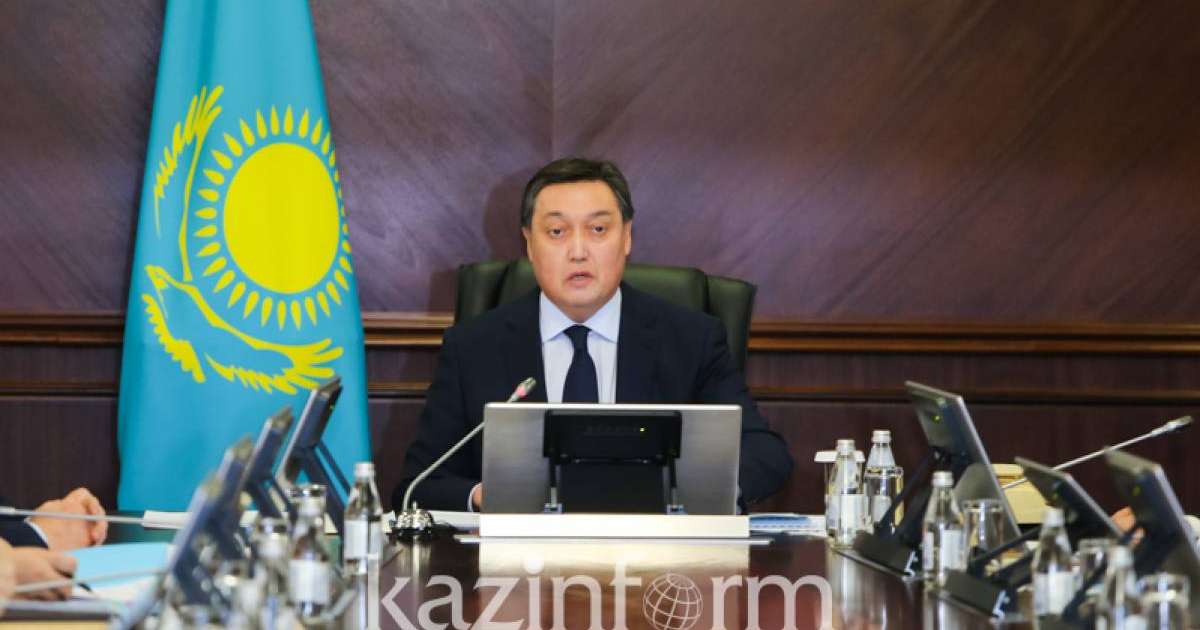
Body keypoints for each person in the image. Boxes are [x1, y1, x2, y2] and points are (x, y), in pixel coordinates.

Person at [395, 157, 793, 511]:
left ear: (627, 237)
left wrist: (684, 493)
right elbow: (418, 485)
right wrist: (485, 496)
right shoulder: (473, 347)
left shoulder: (691, 339)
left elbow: (766, 454)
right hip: (518, 563)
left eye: (598, 229)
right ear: (529, 244)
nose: (578, 251)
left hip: (655, 559)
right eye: (557, 232)